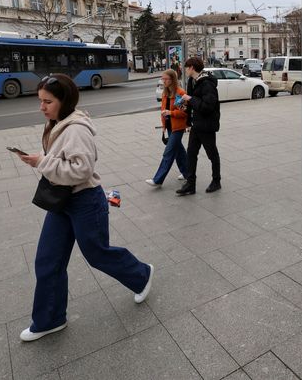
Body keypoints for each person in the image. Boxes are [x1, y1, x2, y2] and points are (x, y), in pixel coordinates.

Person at [15, 74, 154, 342]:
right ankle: (49, 319)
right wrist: (42, 160)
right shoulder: (58, 122)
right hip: (62, 200)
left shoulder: (76, 128)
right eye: (40, 101)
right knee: (48, 259)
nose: (42, 107)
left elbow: (82, 170)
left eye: (48, 101)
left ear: (64, 101)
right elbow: (62, 159)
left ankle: (142, 274)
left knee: (97, 254)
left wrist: (41, 162)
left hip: (85, 200)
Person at [176, 57, 221, 195]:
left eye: (186, 67)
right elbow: (192, 102)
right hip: (196, 124)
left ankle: (216, 181)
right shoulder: (192, 81)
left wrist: (190, 99)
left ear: (192, 68)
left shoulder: (207, 84)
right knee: (191, 154)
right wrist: (186, 114)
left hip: (207, 125)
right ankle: (190, 184)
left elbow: (208, 106)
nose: (184, 70)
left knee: (211, 154)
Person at [146, 69, 189, 187]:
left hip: (178, 128)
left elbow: (184, 113)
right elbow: (163, 110)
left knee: (169, 152)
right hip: (170, 127)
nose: (163, 81)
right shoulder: (165, 93)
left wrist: (171, 113)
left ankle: (158, 180)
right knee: (179, 151)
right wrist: (164, 125)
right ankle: (188, 173)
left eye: (166, 79)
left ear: (172, 80)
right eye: (162, 78)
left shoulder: (180, 93)